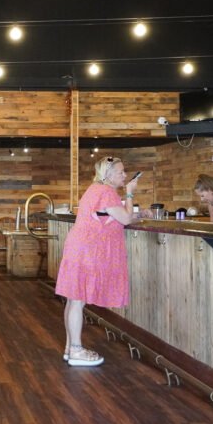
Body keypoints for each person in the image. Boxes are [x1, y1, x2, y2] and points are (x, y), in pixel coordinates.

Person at [54, 156, 140, 367]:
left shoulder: (94, 190)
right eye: (121, 172)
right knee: (77, 300)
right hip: (87, 251)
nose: (125, 175)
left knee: (74, 299)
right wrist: (130, 192)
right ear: (108, 175)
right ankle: (76, 350)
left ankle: (70, 347)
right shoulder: (106, 192)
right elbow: (127, 218)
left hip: (79, 248)